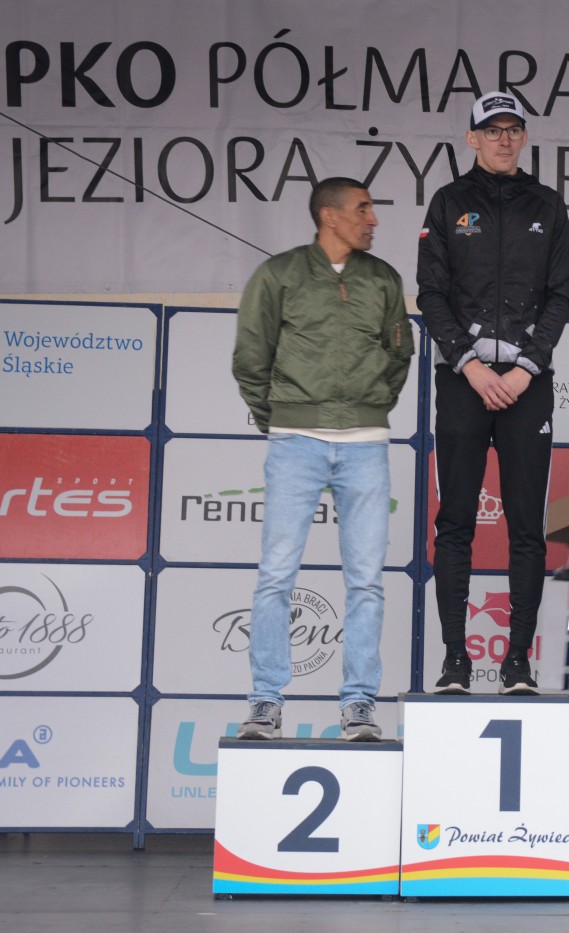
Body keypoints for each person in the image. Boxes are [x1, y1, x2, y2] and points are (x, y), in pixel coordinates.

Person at [231, 176, 413, 741]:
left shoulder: (383, 278)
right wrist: (281, 419)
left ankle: (359, 704)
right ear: (329, 216)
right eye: (362, 209)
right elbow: (250, 356)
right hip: (295, 442)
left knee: (366, 581)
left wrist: (368, 407)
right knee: (276, 575)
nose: (373, 220)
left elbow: (399, 355)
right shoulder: (279, 274)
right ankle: (265, 702)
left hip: (365, 443)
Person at [417, 91, 569, 695]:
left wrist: (525, 368)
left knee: (526, 528)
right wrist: (470, 365)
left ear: (525, 137)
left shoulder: (548, 204)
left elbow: (561, 294)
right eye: (493, 130)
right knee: (455, 522)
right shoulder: (448, 202)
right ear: (472, 138)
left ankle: (517, 662)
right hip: (464, 382)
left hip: (525, 385)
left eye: (513, 129)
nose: (504, 139)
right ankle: (455, 660)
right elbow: (430, 293)